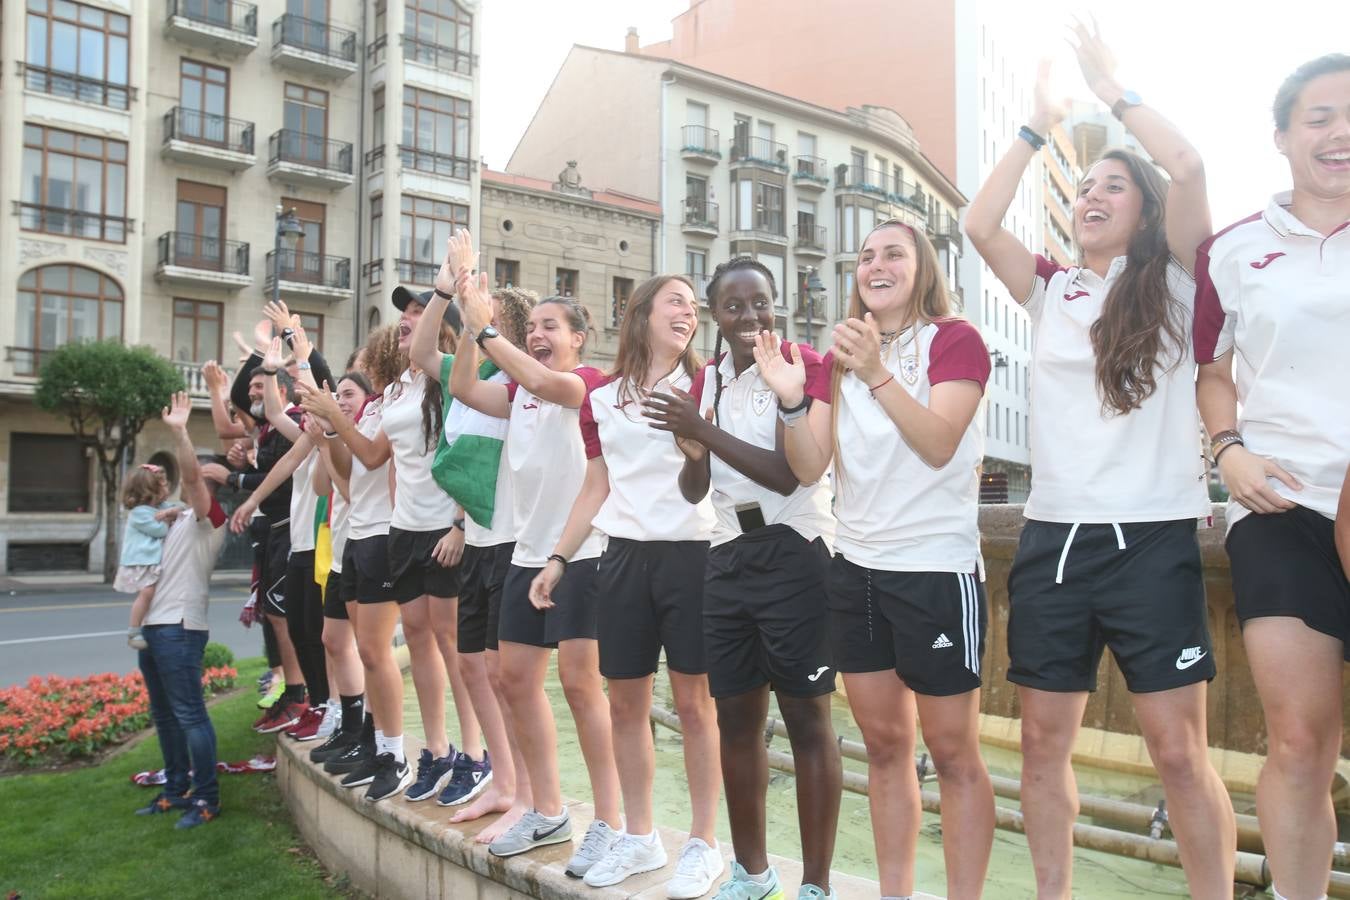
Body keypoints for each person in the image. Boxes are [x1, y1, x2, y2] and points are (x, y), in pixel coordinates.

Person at [965, 23, 1236, 900]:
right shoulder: (1052, 288)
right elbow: (977, 222)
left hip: (1153, 542)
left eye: (1113, 185)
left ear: (1144, 209)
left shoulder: (1182, 281)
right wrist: (1035, 129)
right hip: (1053, 543)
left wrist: (1114, 93)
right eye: (1083, 186)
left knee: (1177, 753)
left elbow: (1189, 164)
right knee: (1042, 745)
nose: (1091, 195)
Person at [757, 215, 994, 900]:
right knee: (886, 748)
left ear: (922, 268)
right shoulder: (838, 361)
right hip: (856, 569)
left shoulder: (956, 340)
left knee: (953, 754)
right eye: (865, 256)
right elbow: (808, 467)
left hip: (935, 568)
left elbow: (940, 441)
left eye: (894, 253)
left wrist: (878, 372)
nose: (876, 265)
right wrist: (796, 401)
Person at [1194, 52, 1350, 900]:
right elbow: (1211, 368)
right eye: (1320, 116)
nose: (1340, 133)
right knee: (1298, 741)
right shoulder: (1234, 249)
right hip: (1281, 505)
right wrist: (1230, 449)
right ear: (1284, 136)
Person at [644, 257, 842, 900]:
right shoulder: (710, 384)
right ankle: (752, 874)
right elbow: (695, 485)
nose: (750, 316)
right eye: (734, 306)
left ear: (775, 303)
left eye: (760, 302)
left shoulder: (799, 367)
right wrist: (693, 449)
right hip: (727, 554)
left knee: (809, 721)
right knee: (736, 721)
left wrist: (700, 430)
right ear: (716, 316)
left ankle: (814, 885)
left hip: (794, 551)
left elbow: (792, 473)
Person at [531, 274, 724, 899]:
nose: (688, 313)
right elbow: (597, 484)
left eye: (694, 308)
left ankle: (703, 844)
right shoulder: (601, 398)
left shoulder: (708, 384)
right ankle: (640, 837)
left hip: (693, 556)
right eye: (676, 302)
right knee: (626, 704)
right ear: (639, 314)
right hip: (620, 560)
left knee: (696, 705)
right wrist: (559, 558)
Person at [443, 235, 622, 877]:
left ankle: (609, 822)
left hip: (582, 555)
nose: (542, 334)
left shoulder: (587, 383)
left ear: (579, 338)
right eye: (536, 325)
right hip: (525, 555)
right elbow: (465, 385)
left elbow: (544, 377)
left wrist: (490, 327)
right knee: (515, 679)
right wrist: (469, 322)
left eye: (553, 326)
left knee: (580, 685)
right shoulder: (518, 394)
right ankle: (547, 810)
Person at [299, 294, 478, 803]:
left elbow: (468, 451)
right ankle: (438, 750)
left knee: (452, 644)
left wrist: (461, 524)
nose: (406, 320)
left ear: (441, 327)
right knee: (419, 640)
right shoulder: (399, 388)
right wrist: (335, 421)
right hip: (404, 530)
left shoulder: (451, 378)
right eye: (404, 315)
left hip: (444, 528)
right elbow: (375, 458)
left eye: (418, 314)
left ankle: (473, 754)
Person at [411, 254, 532, 831]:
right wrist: (443, 294)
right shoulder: (473, 380)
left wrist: (476, 320)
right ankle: (504, 782)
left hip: (512, 543)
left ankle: (527, 792)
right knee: (470, 664)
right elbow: (421, 354)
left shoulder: (520, 384)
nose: (478, 322)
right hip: (481, 540)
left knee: (507, 675)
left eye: (490, 317)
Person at [134, 391, 231, 829]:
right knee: (165, 715)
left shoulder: (209, 517)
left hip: (179, 628)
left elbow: (191, 480)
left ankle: (207, 799)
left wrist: (180, 431)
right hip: (157, 629)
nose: (194, 479)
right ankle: (175, 791)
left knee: (190, 714)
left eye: (204, 475)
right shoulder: (179, 518)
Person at [116, 463, 179, 651]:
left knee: (155, 593)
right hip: (140, 561)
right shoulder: (139, 513)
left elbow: (180, 510)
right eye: (164, 485)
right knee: (147, 592)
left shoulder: (161, 507)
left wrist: (170, 513)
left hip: (151, 560)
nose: (168, 488)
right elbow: (159, 530)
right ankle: (133, 631)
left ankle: (146, 622)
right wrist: (169, 517)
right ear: (150, 491)